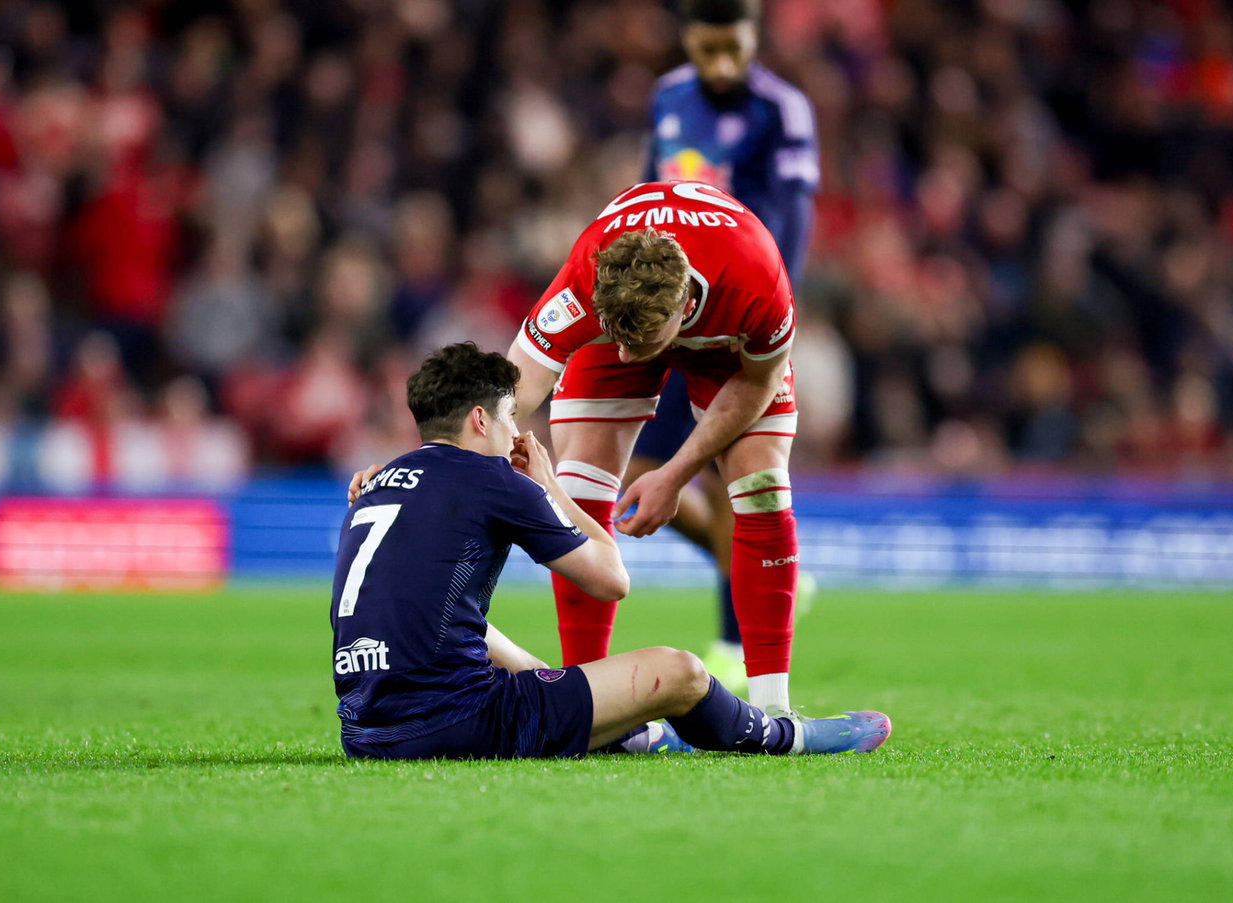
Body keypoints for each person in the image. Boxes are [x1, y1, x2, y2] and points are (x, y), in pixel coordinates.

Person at [332, 342, 889, 759]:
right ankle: (783, 735)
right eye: (509, 418)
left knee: (469, 627)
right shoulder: (494, 480)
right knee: (679, 672)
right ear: (480, 420)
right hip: (453, 722)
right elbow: (610, 578)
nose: (516, 434)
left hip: (364, 729)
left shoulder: (375, 483)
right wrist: (549, 487)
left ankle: (627, 734)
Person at [505, 179, 805, 718]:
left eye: (637, 344)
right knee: (576, 485)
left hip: (730, 348)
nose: (624, 355)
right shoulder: (584, 280)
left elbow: (759, 383)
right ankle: (589, 705)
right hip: (631, 313)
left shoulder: (758, 281)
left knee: (762, 488)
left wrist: (675, 475)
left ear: (686, 302)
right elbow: (511, 393)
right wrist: (431, 464)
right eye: (617, 338)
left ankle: (774, 712)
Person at [634, 0, 820, 692]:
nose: (720, 63)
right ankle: (768, 575)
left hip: (742, 317)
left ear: (754, 38)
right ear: (686, 37)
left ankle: (734, 641)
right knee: (640, 470)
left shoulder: (783, 110)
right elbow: (649, 191)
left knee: (731, 476)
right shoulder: (669, 97)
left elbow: (793, 226)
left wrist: (774, 318)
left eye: (732, 48)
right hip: (670, 315)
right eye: (707, 48)